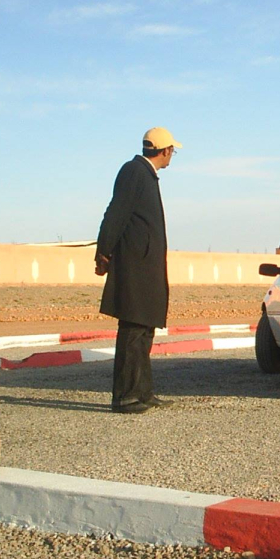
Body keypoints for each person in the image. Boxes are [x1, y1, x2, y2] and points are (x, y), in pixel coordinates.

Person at [95, 127, 181, 414]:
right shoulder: (134, 171)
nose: (173, 156)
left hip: (145, 267)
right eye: (173, 151)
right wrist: (103, 251)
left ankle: (143, 392)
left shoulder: (146, 174)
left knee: (144, 329)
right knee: (133, 329)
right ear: (165, 150)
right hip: (135, 267)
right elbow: (116, 211)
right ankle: (126, 396)